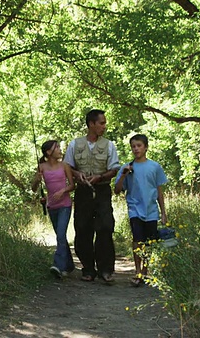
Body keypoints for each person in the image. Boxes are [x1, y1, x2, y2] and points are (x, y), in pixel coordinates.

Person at [63, 109, 120, 282]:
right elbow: (67, 167)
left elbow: (114, 169)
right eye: (101, 123)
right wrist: (76, 174)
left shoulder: (109, 145)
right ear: (91, 124)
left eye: (104, 123)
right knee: (82, 228)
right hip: (83, 192)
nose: (104, 126)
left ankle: (105, 270)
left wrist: (100, 177)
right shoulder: (75, 144)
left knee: (105, 227)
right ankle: (88, 269)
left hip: (102, 191)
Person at [114, 134, 168, 287]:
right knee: (137, 240)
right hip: (135, 209)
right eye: (133, 146)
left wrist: (163, 213)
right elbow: (117, 190)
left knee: (148, 242)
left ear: (146, 147)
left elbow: (159, 191)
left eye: (139, 146)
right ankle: (137, 271)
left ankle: (145, 271)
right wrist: (124, 174)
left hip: (151, 210)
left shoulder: (155, 167)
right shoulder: (127, 167)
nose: (136, 149)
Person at [32, 140, 76, 278]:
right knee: (60, 236)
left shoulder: (64, 166)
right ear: (48, 152)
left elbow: (72, 185)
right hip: (51, 206)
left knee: (61, 235)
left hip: (65, 205)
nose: (59, 149)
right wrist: (37, 180)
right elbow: (33, 188)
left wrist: (62, 191)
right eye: (56, 148)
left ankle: (58, 265)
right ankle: (69, 265)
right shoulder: (42, 167)